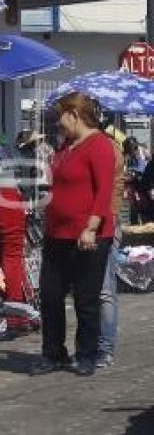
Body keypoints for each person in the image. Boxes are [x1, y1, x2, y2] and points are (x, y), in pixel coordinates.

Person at [33, 92, 114, 377]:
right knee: (50, 295)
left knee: (85, 298)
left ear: (75, 115)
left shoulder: (99, 145)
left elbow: (104, 191)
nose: (58, 124)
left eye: (61, 118)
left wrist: (91, 227)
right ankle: (53, 352)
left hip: (88, 234)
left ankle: (87, 354)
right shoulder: (66, 146)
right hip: (57, 233)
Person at [98, 128, 125, 368]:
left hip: (104, 223)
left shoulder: (107, 148)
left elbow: (110, 189)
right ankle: (99, 344)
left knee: (105, 290)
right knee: (98, 290)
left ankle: (105, 346)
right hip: (94, 224)